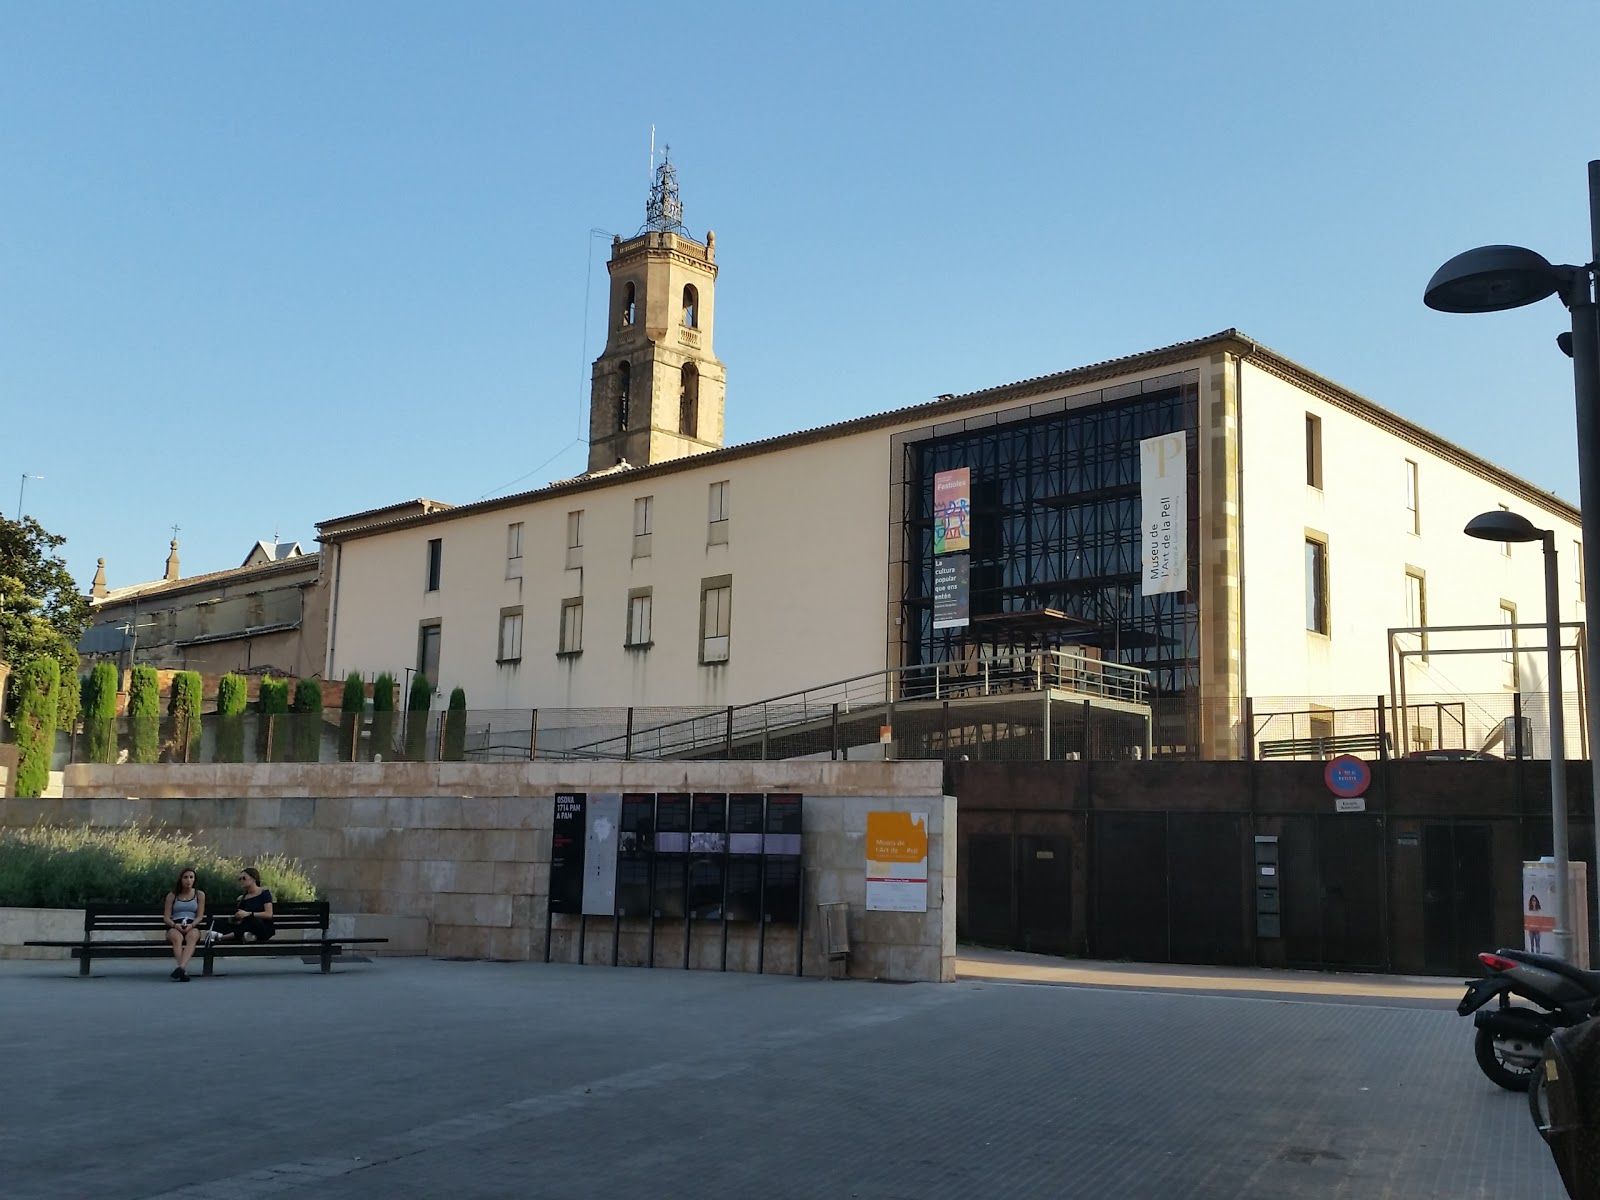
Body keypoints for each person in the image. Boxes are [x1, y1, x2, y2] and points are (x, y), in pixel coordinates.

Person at [163, 867, 205, 982]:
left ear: (194, 880)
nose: (188, 880)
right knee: (177, 938)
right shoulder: (172, 895)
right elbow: (166, 917)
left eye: (191, 877)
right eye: (185, 877)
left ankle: (181, 968)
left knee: (193, 936)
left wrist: (192, 925)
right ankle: (183, 971)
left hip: (192, 925)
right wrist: (175, 925)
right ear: (180, 879)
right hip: (175, 925)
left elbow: (200, 916)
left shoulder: (199, 895)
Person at [215, 867, 275, 943]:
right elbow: (240, 919)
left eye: (244, 878)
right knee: (216, 922)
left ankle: (223, 937)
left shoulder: (264, 893)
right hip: (245, 926)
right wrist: (236, 918)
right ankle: (248, 936)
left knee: (252, 920)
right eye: (239, 879)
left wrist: (249, 914)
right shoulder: (241, 898)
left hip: (262, 927)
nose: (241, 881)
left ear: (253, 879)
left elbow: (269, 914)